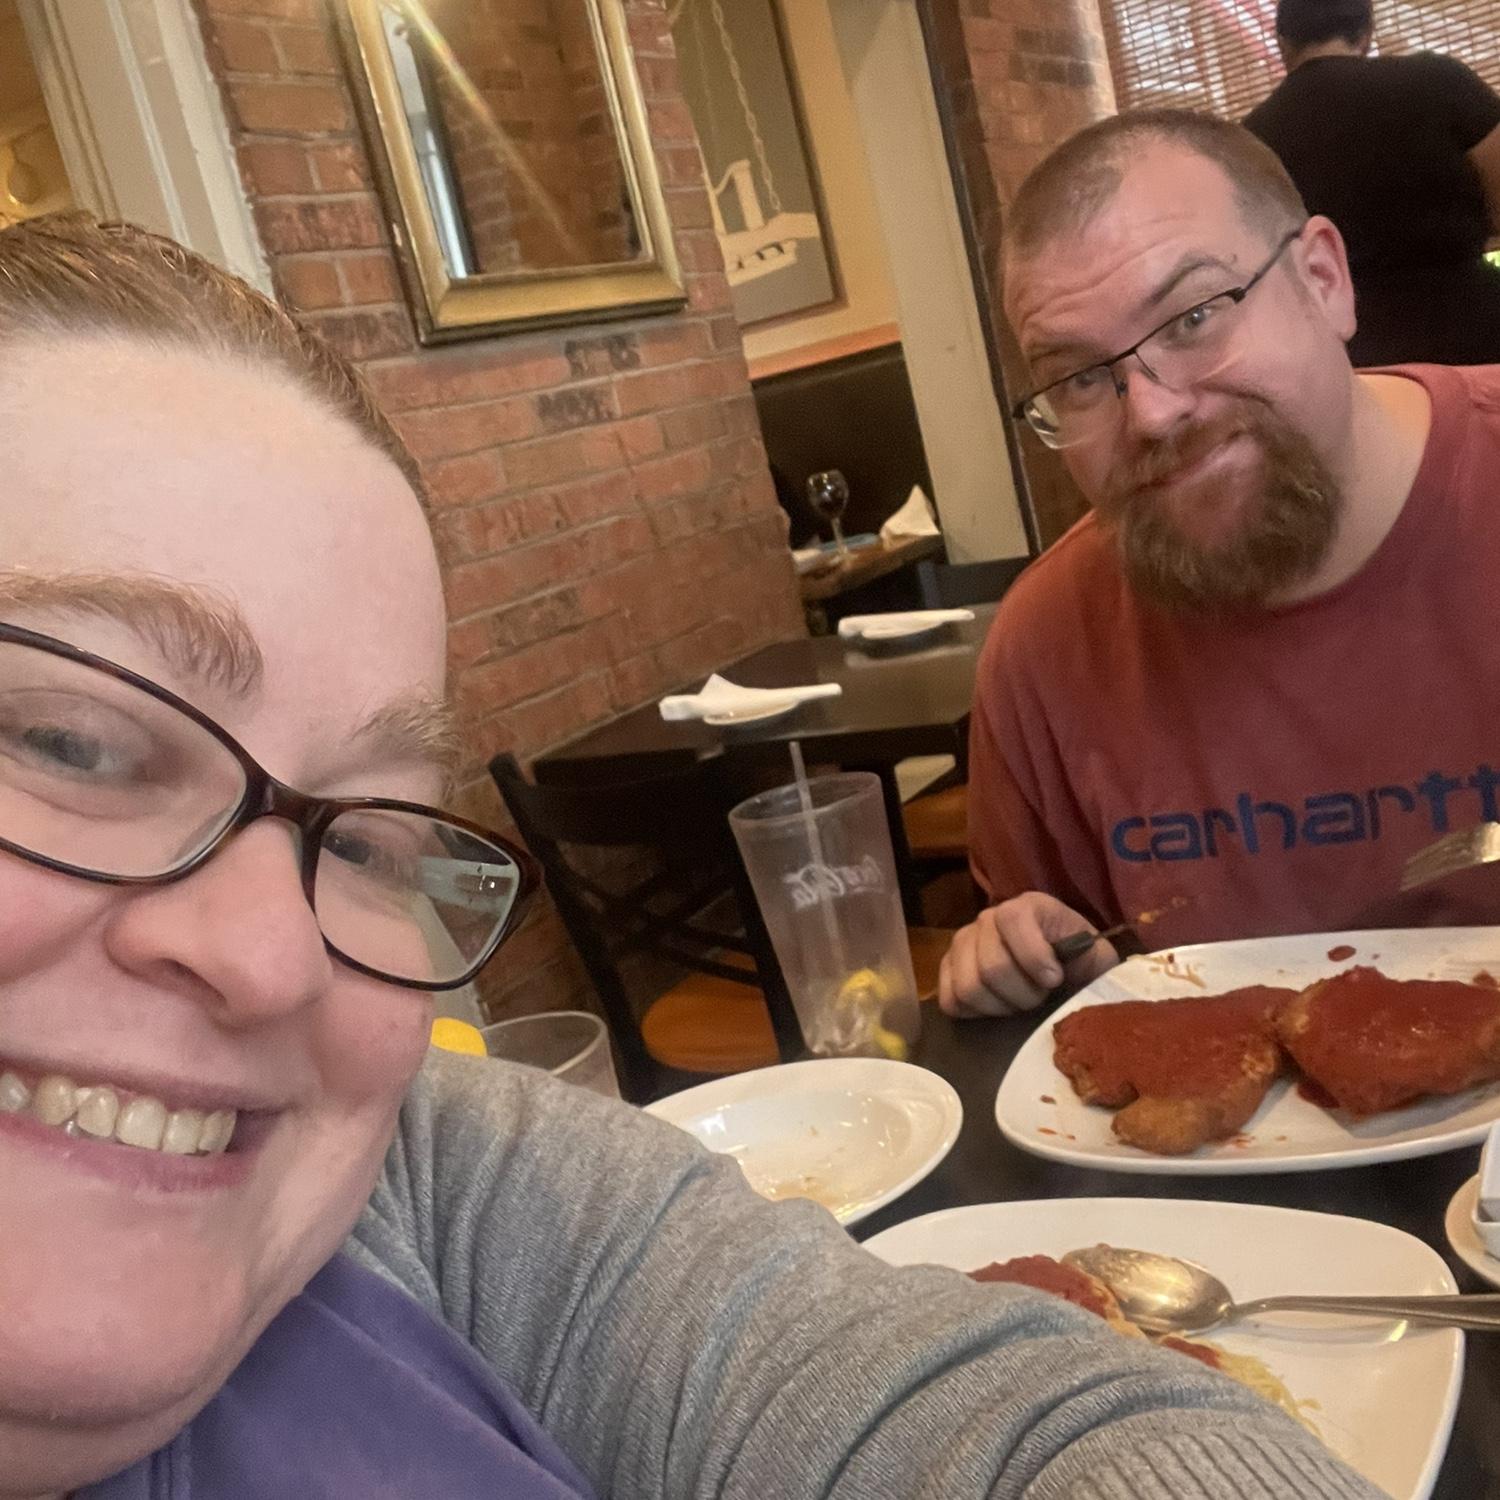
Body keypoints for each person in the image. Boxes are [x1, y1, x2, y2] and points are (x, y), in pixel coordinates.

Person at [0, 214, 1376, 1498]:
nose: (268, 958)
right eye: (70, 744)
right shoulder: (1046, 637)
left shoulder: (434, 1187)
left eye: (367, 838)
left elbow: (1040, 1422)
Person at [940, 109, 1500, 1019]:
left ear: (1324, 281)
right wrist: (1034, 962)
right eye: (1081, 378)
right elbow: (1060, 991)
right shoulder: (1045, 650)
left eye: (1194, 316)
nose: (1152, 414)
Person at [1244, 0, 1500, 365]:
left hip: (1354, 355)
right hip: (1476, 329)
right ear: (1365, 34)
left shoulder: (1251, 141)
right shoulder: (1438, 81)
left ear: (1283, 42)